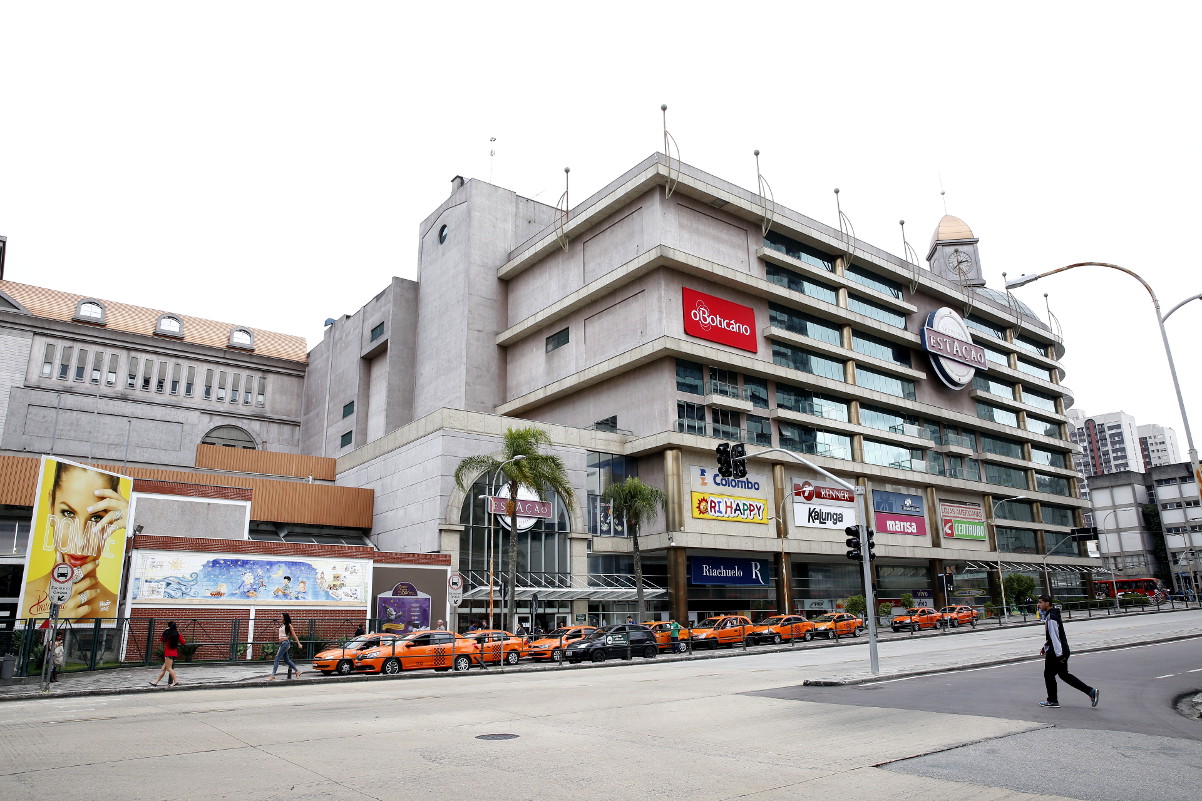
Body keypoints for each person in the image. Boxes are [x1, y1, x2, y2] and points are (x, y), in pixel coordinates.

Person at [1037, 594, 1099, 708]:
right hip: (1061, 650)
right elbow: (1053, 637)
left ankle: (1052, 700)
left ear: (1047, 603)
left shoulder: (1051, 617)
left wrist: (1059, 655)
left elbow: (1055, 638)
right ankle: (1090, 691)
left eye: (1041, 602)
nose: (1038, 605)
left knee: (1048, 675)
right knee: (1064, 675)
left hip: (1056, 653)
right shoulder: (1053, 615)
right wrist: (1045, 646)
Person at [269, 612, 302, 680]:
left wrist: (299, 643)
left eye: (281, 617)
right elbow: (282, 634)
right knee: (286, 660)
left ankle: (273, 675)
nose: (280, 618)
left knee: (277, 658)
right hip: (282, 643)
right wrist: (275, 630)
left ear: (285, 618)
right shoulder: (282, 625)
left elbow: (294, 635)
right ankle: (297, 671)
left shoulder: (289, 625)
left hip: (285, 643)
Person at [151, 621, 184, 687]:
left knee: (168, 668)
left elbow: (161, 639)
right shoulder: (178, 634)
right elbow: (183, 642)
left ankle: (175, 681)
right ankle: (156, 682)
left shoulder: (168, 634)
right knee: (163, 668)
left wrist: (165, 631)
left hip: (168, 653)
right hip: (174, 652)